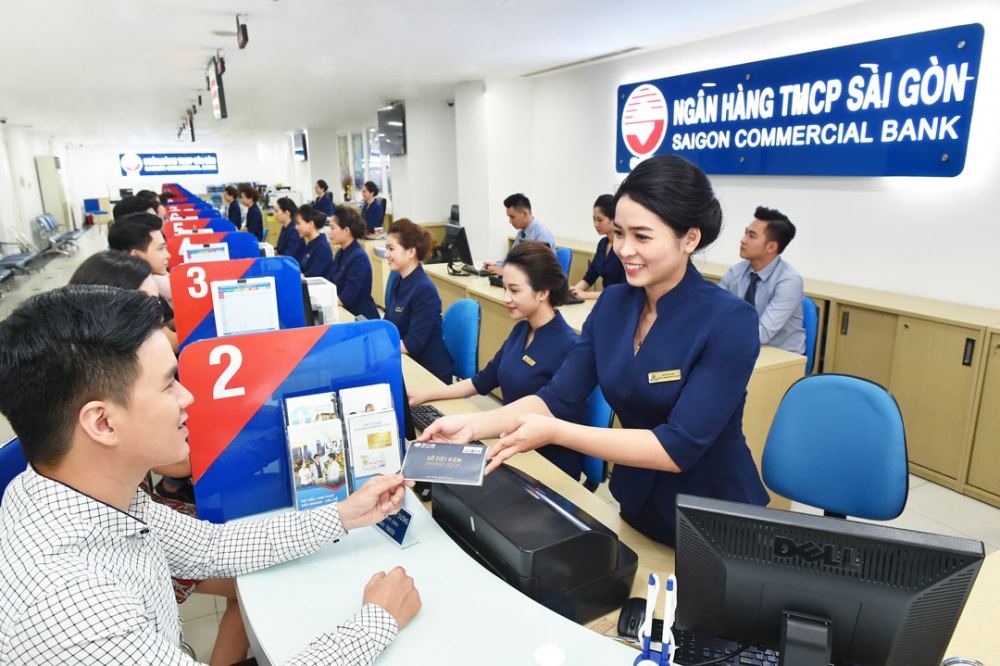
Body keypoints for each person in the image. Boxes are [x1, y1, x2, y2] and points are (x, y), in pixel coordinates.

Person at [0, 286, 420, 664]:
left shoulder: (80, 493)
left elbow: (213, 547)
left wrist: (345, 514)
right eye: (169, 386)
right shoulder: (70, 604)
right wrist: (376, 622)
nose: (189, 396)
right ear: (103, 423)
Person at [419, 154, 769, 547]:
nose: (623, 249)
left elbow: (677, 447)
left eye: (642, 236)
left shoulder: (729, 321)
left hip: (715, 521)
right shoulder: (613, 305)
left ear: (689, 238)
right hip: (639, 506)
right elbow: (556, 397)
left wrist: (557, 432)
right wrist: (474, 427)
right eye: (618, 233)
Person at [70, 251, 252, 665]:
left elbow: (213, 543)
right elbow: (183, 465)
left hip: (149, 513)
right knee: (250, 583)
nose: (163, 314)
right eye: (150, 304)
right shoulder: (83, 600)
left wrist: (343, 515)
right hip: (154, 517)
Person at [410, 242, 586, 479]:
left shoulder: (568, 345)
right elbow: (482, 380)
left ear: (543, 292)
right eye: (504, 288)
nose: (506, 298)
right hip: (510, 444)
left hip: (547, 464)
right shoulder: (521, 330)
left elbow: (548, 412)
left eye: (515, 290)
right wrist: (426, 395)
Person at [718, 207, 806, 354]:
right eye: (745, 233)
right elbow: (713, 311)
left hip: (779, 356)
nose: (743, 240)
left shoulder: (789, 281)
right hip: (741, 346)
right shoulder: (736, 271)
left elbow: (763, 333)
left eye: (751, 236)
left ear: (771, 246)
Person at [384, 218, 453, 384]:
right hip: (407, 364)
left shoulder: (424, 290)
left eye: (391, 249)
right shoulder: (398, 279)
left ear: (410, 252)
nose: (387, 254)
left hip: (429, 374)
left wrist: (379, 349)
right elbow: (388, 324)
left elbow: (412, 344)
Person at [107, 213, 177, 353]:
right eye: (160, 248)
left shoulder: (130, 278)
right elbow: (171, 343)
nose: (167, 255)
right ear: (136, 255)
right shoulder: (136, 291)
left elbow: (169, 321)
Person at [328, 205, 380, 321]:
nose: (329, 232)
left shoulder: (358, 257)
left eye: (332, 228)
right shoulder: (341, 252)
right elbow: (330, 284)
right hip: (346, 312)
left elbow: (346, 298)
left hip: (360, 317)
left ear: (346, 230)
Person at [570, 194, 625, 300]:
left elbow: (623, 291)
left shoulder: (624, 248)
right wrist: (574, 291)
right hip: (605, 300)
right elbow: (590, 275)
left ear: (614, 219)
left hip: (618, 301)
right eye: (594, 219)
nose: (595, 224)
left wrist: (586, 295)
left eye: (600, 220)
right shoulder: (603, 244)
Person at [484, 193, 555, 275]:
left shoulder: (542, 234)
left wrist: (506, 272)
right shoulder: (521, 233)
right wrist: (495, 266)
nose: (510, 221)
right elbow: (511, 258)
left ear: (524, 214)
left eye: (512, 217)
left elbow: (540, 271)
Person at [296, 204, 335, 280]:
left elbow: (312, 276)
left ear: (310, 224)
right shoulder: (312, 243)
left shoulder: (322, 247)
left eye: (298, 223)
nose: (296, 227)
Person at [274, 196, 306, 264]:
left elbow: (289, 256)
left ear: (286, 213)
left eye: (277, 211)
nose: (274, 214)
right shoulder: (285, 228)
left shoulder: (294, 230)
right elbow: (280, 249)